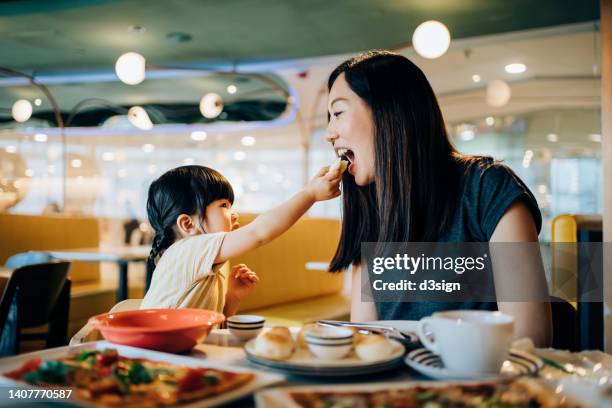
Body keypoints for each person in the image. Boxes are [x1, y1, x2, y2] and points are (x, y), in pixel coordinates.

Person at [325, 50, 552, 346]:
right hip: (393, 388)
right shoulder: (370, 206)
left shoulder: (487, 186)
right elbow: (366, 337)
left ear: (388, 110)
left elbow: (529, 338)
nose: (329, 133)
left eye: (338, 113)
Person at [141, 165, 342, 317]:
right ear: (188, 224)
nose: (234, 214)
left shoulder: (207, 263)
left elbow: (217, 326)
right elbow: (258, 233)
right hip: (158, 355)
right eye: (224, 205)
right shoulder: (186, 250)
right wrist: (310, 194)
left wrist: (232, 298)